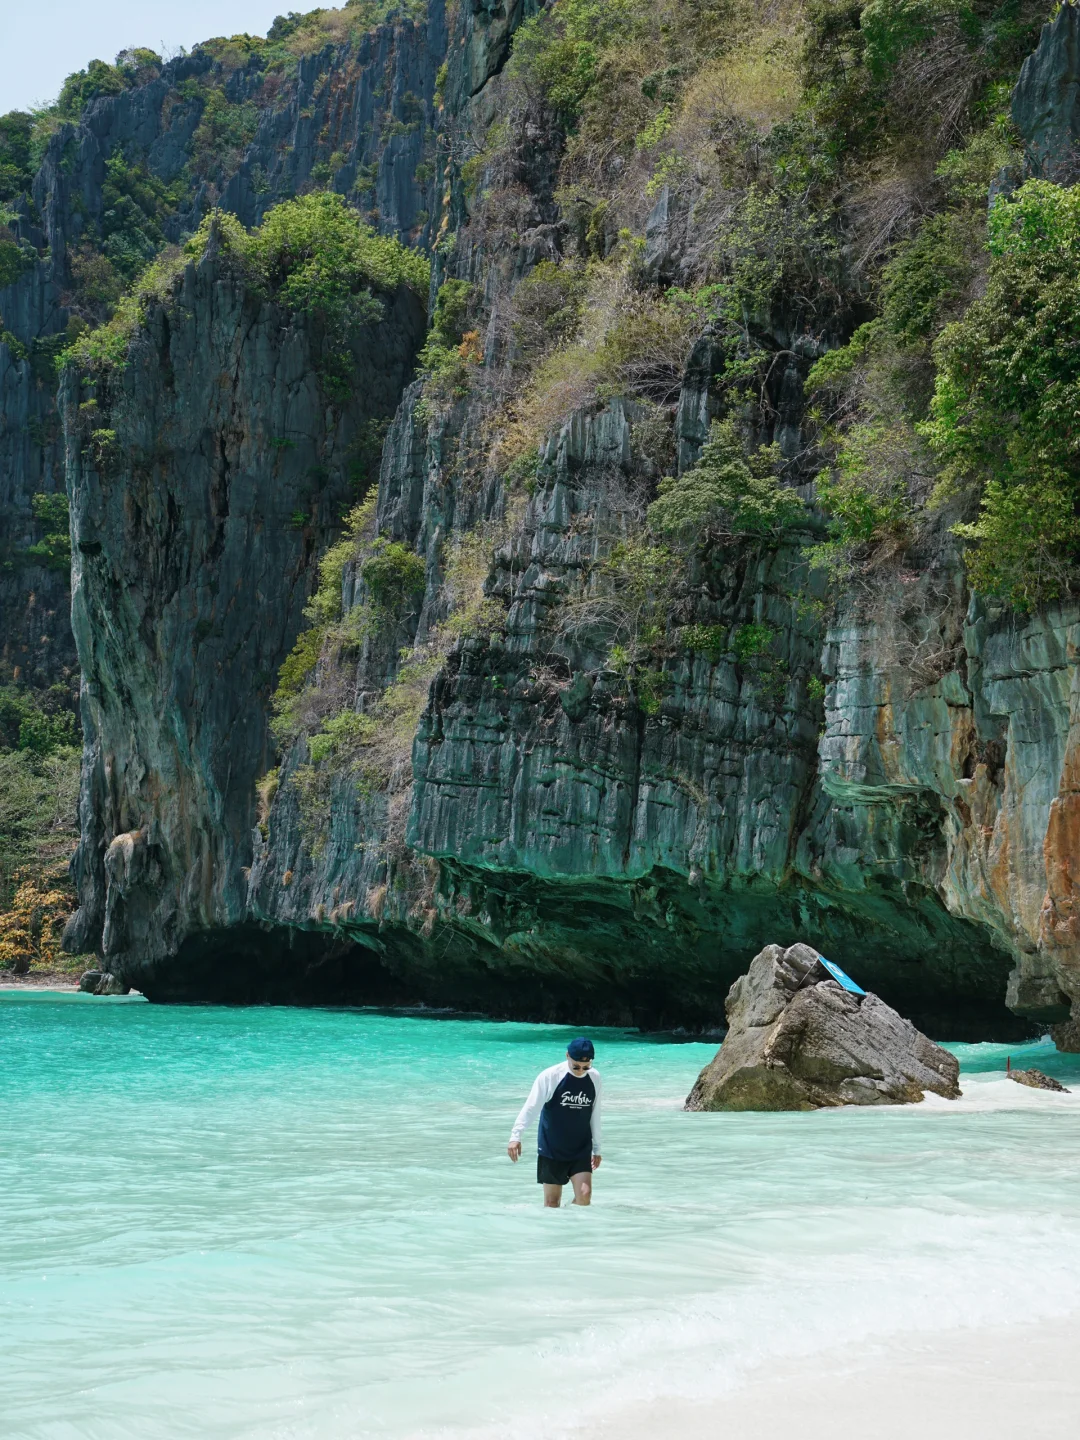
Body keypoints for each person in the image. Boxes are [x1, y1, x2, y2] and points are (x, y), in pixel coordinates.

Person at [507, 1037, 602, 1207]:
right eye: (576, 1067)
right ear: (567, 1056)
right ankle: (560, 1229)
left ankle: (576, 1227)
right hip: (552, 1148)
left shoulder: (594, 1078)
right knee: (552, 1203)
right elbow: (531, 1107)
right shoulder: (550, 1076)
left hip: (580, 1148)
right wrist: (516, 1136)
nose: (581, 1071)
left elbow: (595, 1113)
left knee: (584, 1196)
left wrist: (597, 1148)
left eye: (586, 1067)